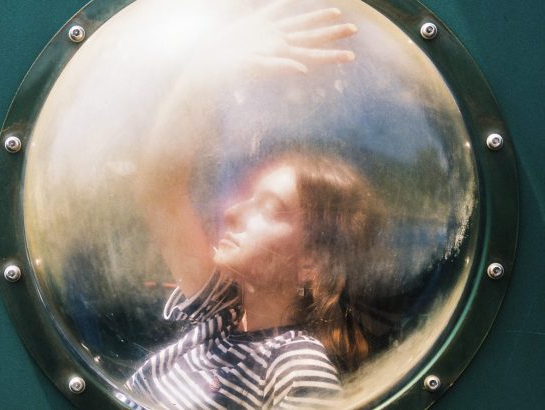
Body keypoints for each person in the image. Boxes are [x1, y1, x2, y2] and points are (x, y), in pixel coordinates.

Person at [121, 2, 384, 408]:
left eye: (270, 207)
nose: (231, 213)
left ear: (312, 262)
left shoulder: (297, 365)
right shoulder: (220, 313)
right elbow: (160, 191)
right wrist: (205, 75)